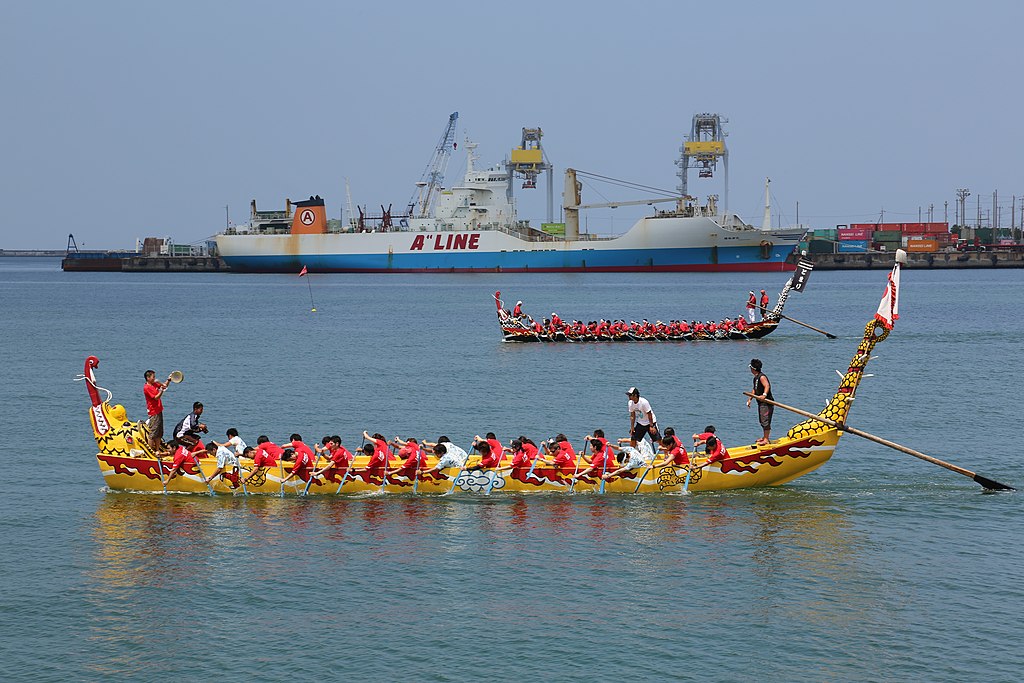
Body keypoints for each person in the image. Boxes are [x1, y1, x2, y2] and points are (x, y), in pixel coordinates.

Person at [142, 370, 173, 450]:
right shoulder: (147, 387)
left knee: (159, 433)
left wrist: (168, 380)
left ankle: (157, 449)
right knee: (153, 432)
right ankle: (150, 450)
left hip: (158, 410)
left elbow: (164, 386)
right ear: (148, 378)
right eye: (153, 377)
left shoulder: (154, 384)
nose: (154, 378)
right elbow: (156, 397)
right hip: (153, 412)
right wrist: (161, 390)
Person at [746, 358, 774, 445]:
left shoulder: (762, 377)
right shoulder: (755, 378)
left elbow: (767, 385)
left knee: (765, 421)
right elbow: (754, 389)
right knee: (762, 420)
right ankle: (764, 437)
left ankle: (766, 439)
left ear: (753, 369)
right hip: (761, 403)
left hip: (767, 403)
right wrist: (750, 399)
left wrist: (764, 395)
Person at [626, 387, 659, 451]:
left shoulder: (644, 402)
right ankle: (631, 455)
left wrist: (652, 426)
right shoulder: (630, 403)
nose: (628, 396)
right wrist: (632, 427)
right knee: (633, 439)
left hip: (650, 422)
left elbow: (649, 414)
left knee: (658, 440)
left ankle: (667, 455)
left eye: (630, 395)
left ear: (635, 395)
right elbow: (632, 415)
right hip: (641, 423)